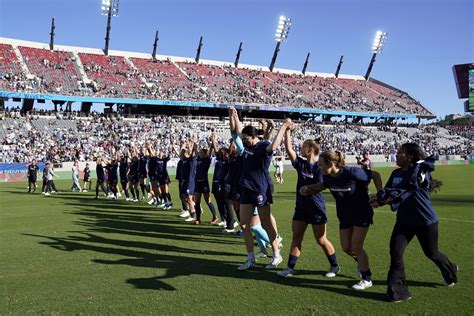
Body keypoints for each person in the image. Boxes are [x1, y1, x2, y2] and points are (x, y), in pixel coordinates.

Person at [371, 143, 458, 302]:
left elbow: (411, 189)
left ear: (410, 156)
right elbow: (391, 192)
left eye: (400, 153)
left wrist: (418, 168)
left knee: (432, 253)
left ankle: (450, 270)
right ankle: (398, 292)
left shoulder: (421, 172)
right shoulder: (396, 173)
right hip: (404, 221)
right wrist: (379, 200)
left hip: (425, 221)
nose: (396, 155)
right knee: (396, 253)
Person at [300, 150, 382, 290]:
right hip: (344, 215)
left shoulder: (351, 172)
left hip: (361, 213)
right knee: (346, 247)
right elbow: (321, 186)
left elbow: (375, 175)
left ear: (330, 164)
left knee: (356, 246)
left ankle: (366, 278)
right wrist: (308, 189)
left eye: (320, 164)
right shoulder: (327, 177)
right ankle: (361, 263)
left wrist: (380, 194)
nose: (318, 167)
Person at [229, 107, 288, 271]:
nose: (245, 141)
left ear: (254, 137)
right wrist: (234, 115)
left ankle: (277, 254)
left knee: (267, 224)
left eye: (247, 139)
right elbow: (238, 132)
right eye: (244, 139)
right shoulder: (247, 146)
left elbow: (274, 145)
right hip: (246, 189)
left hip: (260, 189)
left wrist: (283, 127)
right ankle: (250, 258)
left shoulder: (263, 146)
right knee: (244, 225)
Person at [277, 127, 340, 278]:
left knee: (321, 240)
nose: (300, 148)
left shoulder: (320, 167)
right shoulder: (301, 164)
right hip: (301, 207)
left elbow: (320, 186)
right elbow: (289, 149)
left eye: (304, 146)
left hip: (316, 208)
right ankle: (290, 268)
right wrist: (287, 131)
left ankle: (334, 265)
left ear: (310, 149)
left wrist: (308, 189)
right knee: (296, 237)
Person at [193, 134, 219, 225]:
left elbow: (211, 149)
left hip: (204, 182)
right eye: (200, 153)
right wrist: (194, 144)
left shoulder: (207, 160)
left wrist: (213, 140)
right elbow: (195, 150)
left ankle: (215, 216)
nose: (200, 154)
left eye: (202, 153)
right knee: (197, 202)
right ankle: (198, 219)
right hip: (197, 182)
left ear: (205, 154)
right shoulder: (198, 159)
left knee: (208, 201)